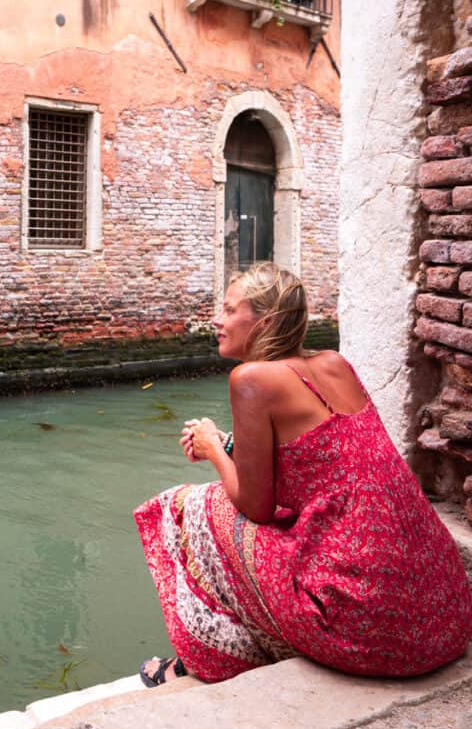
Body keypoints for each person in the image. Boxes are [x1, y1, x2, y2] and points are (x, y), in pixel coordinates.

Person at [135, 262, 472, 687]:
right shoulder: (335, 363)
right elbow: (318, 463)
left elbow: (256, 507)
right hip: (444, 620)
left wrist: (212, 450)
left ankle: (213, 658)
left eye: (228, 309)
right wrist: (229, 445)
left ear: (266, 322)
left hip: (371, 634)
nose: (216, 320)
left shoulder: (250, 379)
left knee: (187, 506)